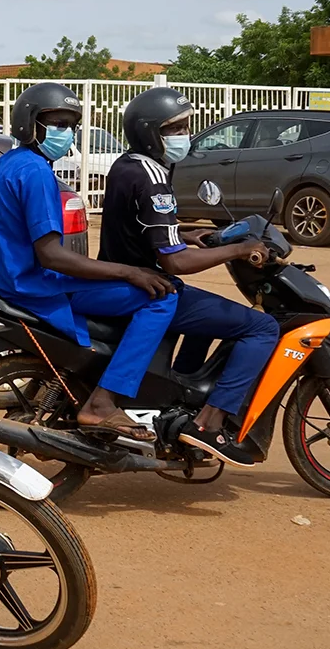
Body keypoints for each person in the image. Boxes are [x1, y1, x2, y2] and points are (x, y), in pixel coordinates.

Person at [0, 82, 178, 441]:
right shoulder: (36, 172)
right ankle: (103, 402)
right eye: (56, 123)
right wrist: (129, 271)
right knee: (163, 296)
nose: (65, 132)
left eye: (70, 125)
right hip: (33, 286)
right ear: (29, 123)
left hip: (5, 281)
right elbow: (52, 256)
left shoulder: (8, 162)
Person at [99, 87, 280, 465]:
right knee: (261, 329)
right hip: (147, 287)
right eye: (175, 129)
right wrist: (237, 249)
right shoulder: (152, 177)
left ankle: (176, 394)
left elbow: (138, 227)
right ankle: (208, 423)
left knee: (208, 315)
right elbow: (175, 264)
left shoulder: (127, 164)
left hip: (125, 278)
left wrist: (183, 233)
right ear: (151, 133)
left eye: (185, 126)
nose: (184, 135)